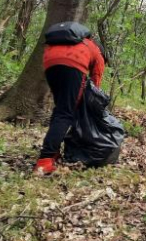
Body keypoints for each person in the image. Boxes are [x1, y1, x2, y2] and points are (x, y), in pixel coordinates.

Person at [34, 27, 105, 175]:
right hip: (73, 63)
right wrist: (92, 104)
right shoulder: (96, 51)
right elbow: (96, 81)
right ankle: (45, 160)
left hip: (50, 62)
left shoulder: (78, 42)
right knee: (66, 112)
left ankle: (52, 153)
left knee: (61, 108)